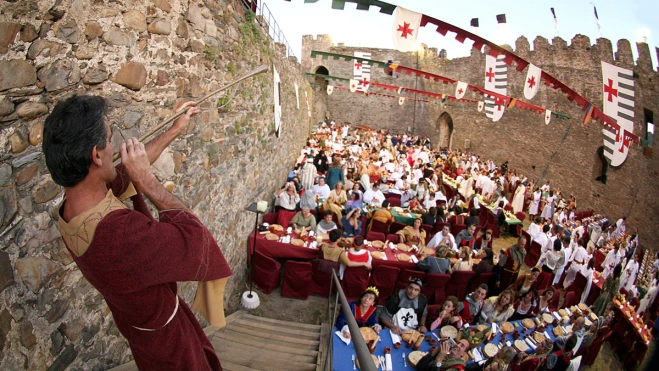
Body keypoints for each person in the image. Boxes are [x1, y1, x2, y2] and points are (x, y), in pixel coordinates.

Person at [43, 96, 232, 370]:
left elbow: (123, 173)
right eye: (109, 141)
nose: (114, 148)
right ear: (96, 155)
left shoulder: (73, 205)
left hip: (142, 330)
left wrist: (175, 128)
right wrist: (146, 179)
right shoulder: (118, 233)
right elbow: (195, 239)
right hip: (169, 344)